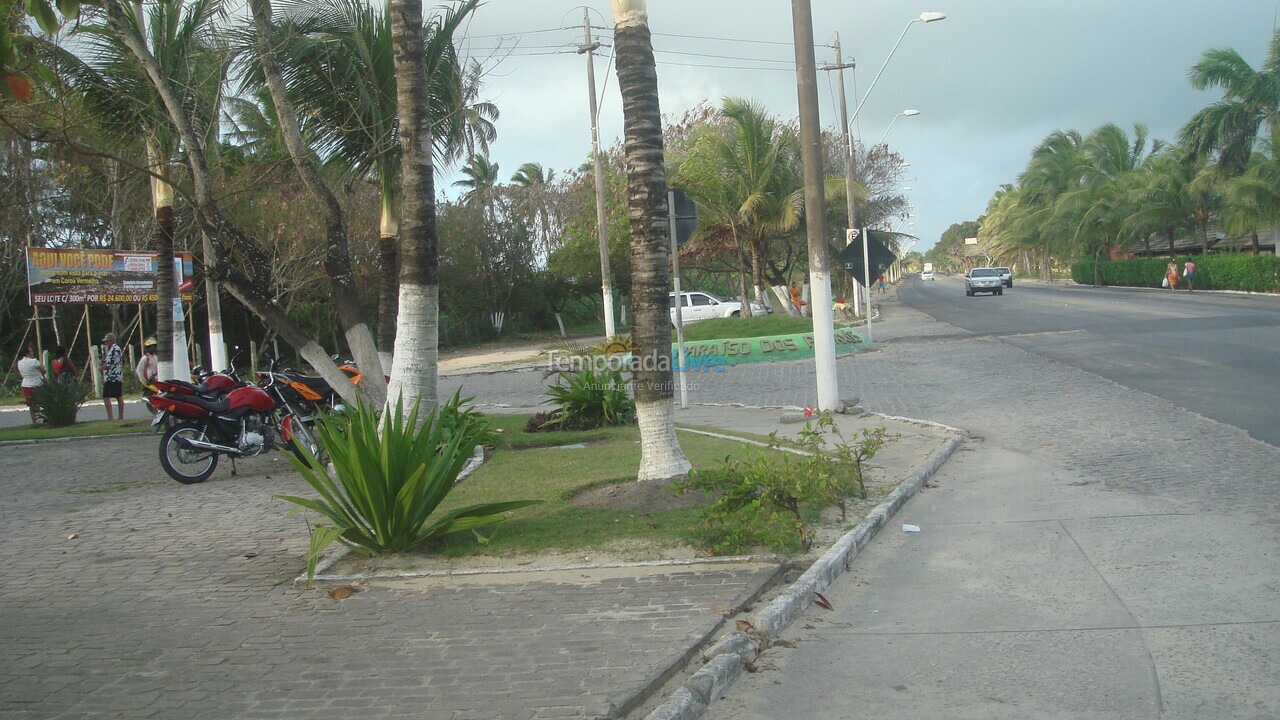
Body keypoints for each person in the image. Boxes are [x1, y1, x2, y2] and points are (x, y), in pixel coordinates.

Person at [13, 344, 45, 424]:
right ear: (27, 353)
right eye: (31, 351)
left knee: (31, 404)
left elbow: (18, 372)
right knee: (44, 402)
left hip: (26, 385)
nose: (32, 353)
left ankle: (34, 421)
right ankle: (46, 417)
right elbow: (43, 370)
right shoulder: (34, 361)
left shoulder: (20, 362)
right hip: (37, 384)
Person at [101, 332, 124, 420]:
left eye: (107, 341)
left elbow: (108, 364)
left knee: (106, 396)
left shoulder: (114, 349)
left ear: (111, 340)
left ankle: (111, 416)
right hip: (116, 376)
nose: (106, 343)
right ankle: (119, 416)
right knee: (118, 396)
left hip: (112, 377)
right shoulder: (113, 350)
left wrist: (100, 368)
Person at [136, 337, 159, 411]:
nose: (153, 348)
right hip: (149, 380)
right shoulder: (145, 358)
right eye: (151, 346)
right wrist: (144, 381)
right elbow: (139, 370)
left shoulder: (156, 357)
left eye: (154, 346)